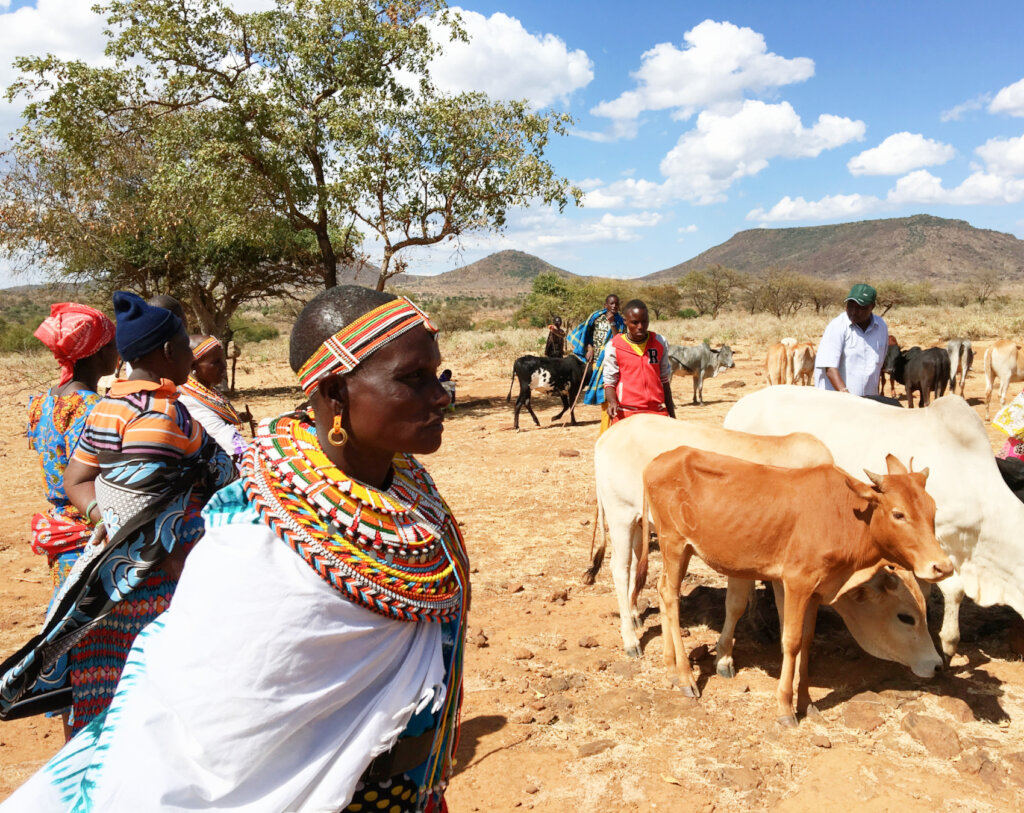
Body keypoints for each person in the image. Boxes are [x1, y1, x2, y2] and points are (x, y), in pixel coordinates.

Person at [2, 286, 469, 813]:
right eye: (413, 379)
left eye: (437, 375)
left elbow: (81, 479)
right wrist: (148, 540)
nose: (441, 395)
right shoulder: (254, 535)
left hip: (415, 791)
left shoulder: (406, 490)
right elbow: (221, 720)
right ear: (335, 394)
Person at [0, 292, 236, 735]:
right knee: (157, 708)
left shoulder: (109, 407)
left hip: (101, 569)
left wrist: (105, 520)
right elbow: (153, 513)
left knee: (102, 701)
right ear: (168, 352)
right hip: (156, 586)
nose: (191, 354)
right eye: (187, 346)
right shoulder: (163, 415)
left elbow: (76, 479)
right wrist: (178, 566)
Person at [24, 304, 118, 738]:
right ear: (98, 353)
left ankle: (70, 733)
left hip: (63, 533)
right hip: (94, 531)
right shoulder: (98, 410)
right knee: (97, 634)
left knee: (66, 627)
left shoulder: (41, 404)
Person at [178, 334, 252, 462]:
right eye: (216, 362)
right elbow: (227, 442)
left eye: (223, 360)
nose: (224, 366)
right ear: (193, 365)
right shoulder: (187, 401)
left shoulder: (207, 393)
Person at [603, 299, 675, 425]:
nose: (640, 327)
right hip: (626, 414)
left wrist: (672, 415)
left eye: (644, 322)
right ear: (625, 322)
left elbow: (664, 380)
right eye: (635, 323)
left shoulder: (659, 342)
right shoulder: (614, 346)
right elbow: (609, 382)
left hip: (656, 413)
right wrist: (613, 402)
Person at [814, 283, 889, 397]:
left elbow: (878, 366)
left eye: (860, 307)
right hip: (838, 402)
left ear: (872, 306)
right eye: (850, 305)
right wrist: (847, 396)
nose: (853, 311)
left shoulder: (881, 327)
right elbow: (829, 368)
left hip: (868, 401)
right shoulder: (837, 326)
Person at [567, 294, 625, 431]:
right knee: (605, 395)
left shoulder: (620, 322)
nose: (614, 306)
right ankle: (606, 429)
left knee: (607, 395)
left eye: (616, 304)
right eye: (611, 304)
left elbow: (619, 341)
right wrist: (589, 348)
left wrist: (612, 323)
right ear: (605, 305)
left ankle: (606, 430)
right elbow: (588, 333)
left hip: (611, 361)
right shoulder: (596, 317)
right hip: (596, 361)